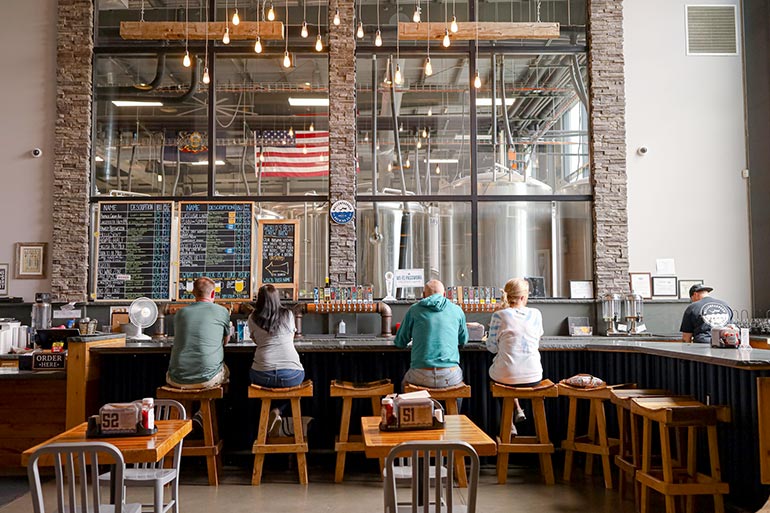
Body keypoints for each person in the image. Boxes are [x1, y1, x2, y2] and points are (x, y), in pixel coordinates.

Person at [248, 284, 307, 437]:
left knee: (265, 388)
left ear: (259, 300)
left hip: (262, 374)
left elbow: (256, 340)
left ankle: (268, 414)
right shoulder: (288, 314)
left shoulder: (253, 317)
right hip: (291, 373)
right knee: (291, 388)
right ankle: (277, 411)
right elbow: (291, 337)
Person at [486, 278, 544, 432]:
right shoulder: (536, 314)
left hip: (507, 376)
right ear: (523, 297)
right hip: (534, 377)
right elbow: (537, 339)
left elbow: (491, 347)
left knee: (503, 374)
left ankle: (509, 423)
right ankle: (517, 409)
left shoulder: (499, 315)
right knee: (510, 370)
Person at [394, 279, 468, 389]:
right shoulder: (457, 310)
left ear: (423, 295)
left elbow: (400, 342)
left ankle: (415, 406)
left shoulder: (414, 310)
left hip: (420, 374)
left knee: (404, 385)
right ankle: (453, 406)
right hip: (449, 375)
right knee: (459, 388)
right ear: (444, 295)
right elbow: (463, 340)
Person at [166, 277, 230, 389]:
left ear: (193, 293)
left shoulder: (180, 313)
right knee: (226, 372)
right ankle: (211, 405)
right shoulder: (222, 311)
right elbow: (226, 341)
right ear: (213, 293)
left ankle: (188, 407)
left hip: (176, 379)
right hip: (207, 379)